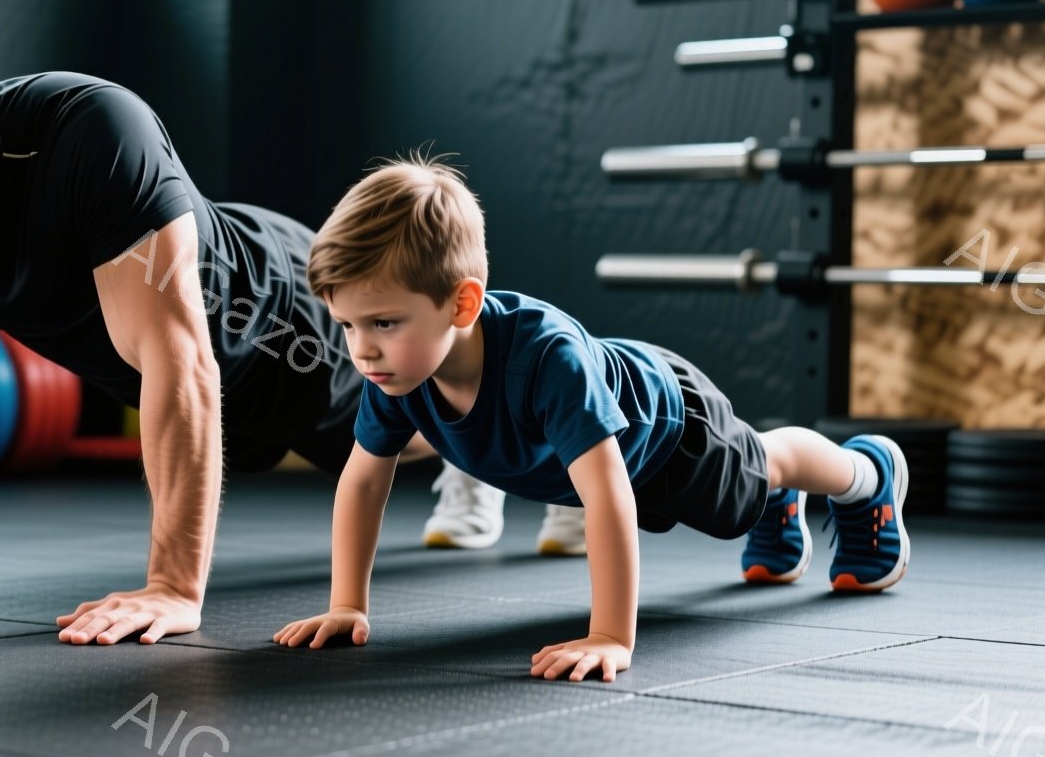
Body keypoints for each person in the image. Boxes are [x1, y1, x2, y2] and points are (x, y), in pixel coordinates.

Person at [0, 0, 509, 642]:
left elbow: (178, 357)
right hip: (201, 395)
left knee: (426, 427)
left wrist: (173, 586)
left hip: (279, 326)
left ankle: (521, 428)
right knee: (368, 445)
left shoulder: (86, 131)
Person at [272, 156, 910, 682]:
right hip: (621, 452)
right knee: (746, 499)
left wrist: (609, 635)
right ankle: (776, 502)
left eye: (383, 322)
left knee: (764, 468)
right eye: (346, 325)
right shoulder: (397, 370)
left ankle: (866, 473)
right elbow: (363, 481)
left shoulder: (548, 360)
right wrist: (347, 604)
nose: (362, 350)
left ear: (461, 304)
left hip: (673, 430)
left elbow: (606, 497)